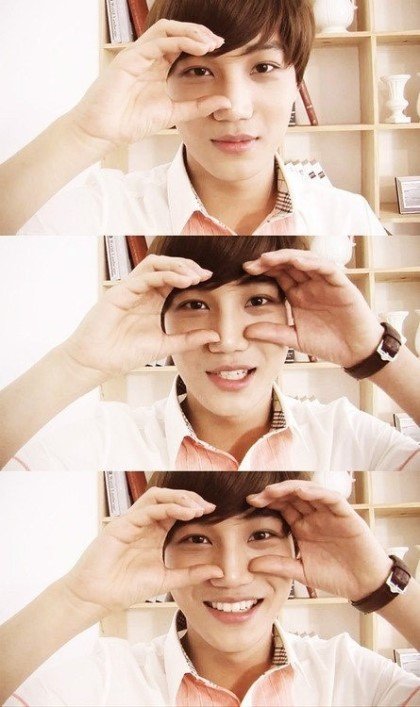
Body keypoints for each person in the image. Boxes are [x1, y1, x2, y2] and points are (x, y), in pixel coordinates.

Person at [1, 237, 419, 471]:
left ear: (293, 312)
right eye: (196, 305)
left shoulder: (346, 436)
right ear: (163, 320)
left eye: (257, 301)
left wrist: (373, 352)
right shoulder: (105, 441)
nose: (227, 340)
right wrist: (77, 363)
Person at [1, 472, 420, 706]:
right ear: (163, 556)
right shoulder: (105, 683)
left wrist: (380, 583)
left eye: (260, 536)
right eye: (198, 539)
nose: (231, 575)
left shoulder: (350, 677)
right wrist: (77, 598)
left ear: (298, 550)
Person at [0, 0, 385, 236]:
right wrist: (85, 133)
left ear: (296, 81)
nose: (234, 107)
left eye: (263, 67)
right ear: (167, 81)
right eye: (200, 71)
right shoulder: (108, 209)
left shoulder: (346, 217)